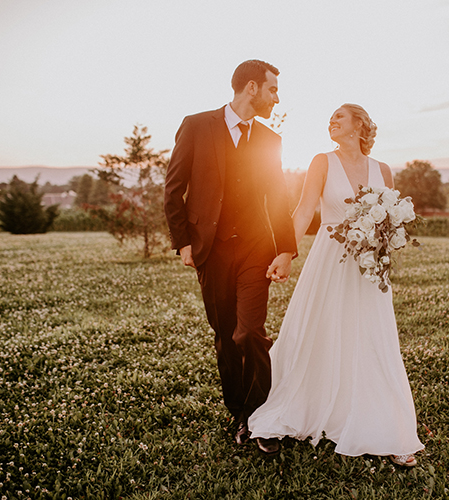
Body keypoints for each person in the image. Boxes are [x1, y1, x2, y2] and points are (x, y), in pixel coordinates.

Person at [248, 104, 424, 465]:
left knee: (371, 338)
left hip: (368, 267)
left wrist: (385, 246)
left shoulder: (383, 170)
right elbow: (303, 210)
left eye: (339, 117)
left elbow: (390, 221)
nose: (332, 121)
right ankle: (312, 402)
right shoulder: (322, 162)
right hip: (330, 259)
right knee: (321, 330)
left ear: (359, 124)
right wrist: (286, 252)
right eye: (330, 118)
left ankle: (384, 424)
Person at [164, 60, 296, 455]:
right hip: (212, 250)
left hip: (256, 248)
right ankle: (238, 412)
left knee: (250, 331)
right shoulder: (197, 125)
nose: (277, 97)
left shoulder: (271, 140)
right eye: (273, 89)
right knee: (225, 337)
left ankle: (261, 417)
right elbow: (174, 189)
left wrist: (286, 249)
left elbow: (278, 197)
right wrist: (183, 242)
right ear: (252, 88)